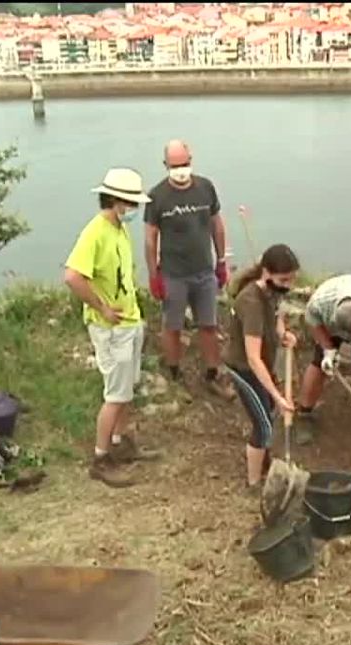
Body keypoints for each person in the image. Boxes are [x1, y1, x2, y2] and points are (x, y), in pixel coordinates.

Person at [63, 168, 153, 486]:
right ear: (116, 201)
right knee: (115, 393)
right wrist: (101, 306)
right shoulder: (96, 232)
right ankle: (100, 457)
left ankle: (119, 442)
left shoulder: (118, 229)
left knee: (127, 388)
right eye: (131, 203)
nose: (134, 210)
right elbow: (73, 276)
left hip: (128, 321)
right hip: (110, 327)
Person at [143, 139, 234, 400]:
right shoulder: (157, 196)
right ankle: (173, 372)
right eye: (175, 165)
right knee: (172, 326)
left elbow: (217, 225)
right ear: (165, 165)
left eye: (184, 164)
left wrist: (221, 262)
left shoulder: (206, 188)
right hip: (173, 274)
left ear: (191, 161)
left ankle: (212, 374)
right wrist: (154, 275)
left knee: (208, 324)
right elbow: (150, 238)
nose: (180, 169)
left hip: (204, 271)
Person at [223, 244, 301, 492]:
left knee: (268, 413)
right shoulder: (251, 302)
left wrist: (283, 334)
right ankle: (254, 483)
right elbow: (253, 358)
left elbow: (277, 317)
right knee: (264, 426)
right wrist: (279, 396)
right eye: (284, 279)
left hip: (262, 365)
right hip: (244, 368)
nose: (288, 285)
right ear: (266, 272)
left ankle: (264, 461)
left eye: (291, 279)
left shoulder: (273, 291)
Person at [293, 274, 351, 446]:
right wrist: (328, 350)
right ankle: (304, 414)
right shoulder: (319, 305)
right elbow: (313, 322)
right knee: (318, 366)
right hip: (331, 322)